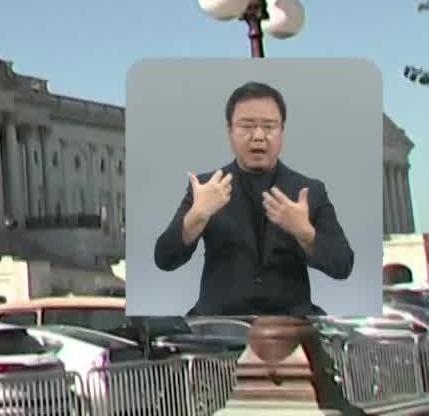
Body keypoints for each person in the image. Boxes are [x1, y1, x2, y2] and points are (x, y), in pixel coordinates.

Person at [152, 81, 355, 316]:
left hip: (291, 327)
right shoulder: (207, 188)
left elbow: (343, 266)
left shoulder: (309, 191)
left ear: (282, 132)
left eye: (269, 126)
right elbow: (164, 259)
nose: (258, 136)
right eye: (247, 126)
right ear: (229, 131)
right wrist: (197, 215)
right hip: (219, 327)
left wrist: (305, 233)